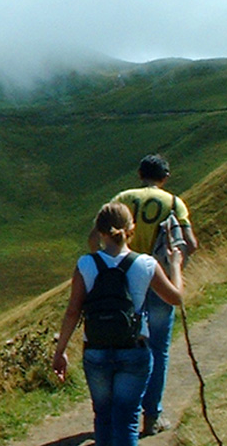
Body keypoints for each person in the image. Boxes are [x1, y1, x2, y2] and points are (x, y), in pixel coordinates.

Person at [53, 202, 184, 446]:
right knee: (127, 420)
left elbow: (73, 312)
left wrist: (59, 352)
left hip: (96, 350)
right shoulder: (146, 264)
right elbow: (176, 298)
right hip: (134, 350)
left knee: (103, 417)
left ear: (99, 232)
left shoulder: (85, 264)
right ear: (130, 229)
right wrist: (175, 264)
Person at [88, 154, 198, 436]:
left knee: (125, 343)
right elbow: (190, 243)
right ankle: (152, 417)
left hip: (126, 281)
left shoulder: (123, 197)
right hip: (158, 278)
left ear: (139, 174)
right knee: (158, 350)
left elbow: (94, 239)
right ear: (165, 177)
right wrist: (174, 265)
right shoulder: (174, 203)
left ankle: (119, 414)